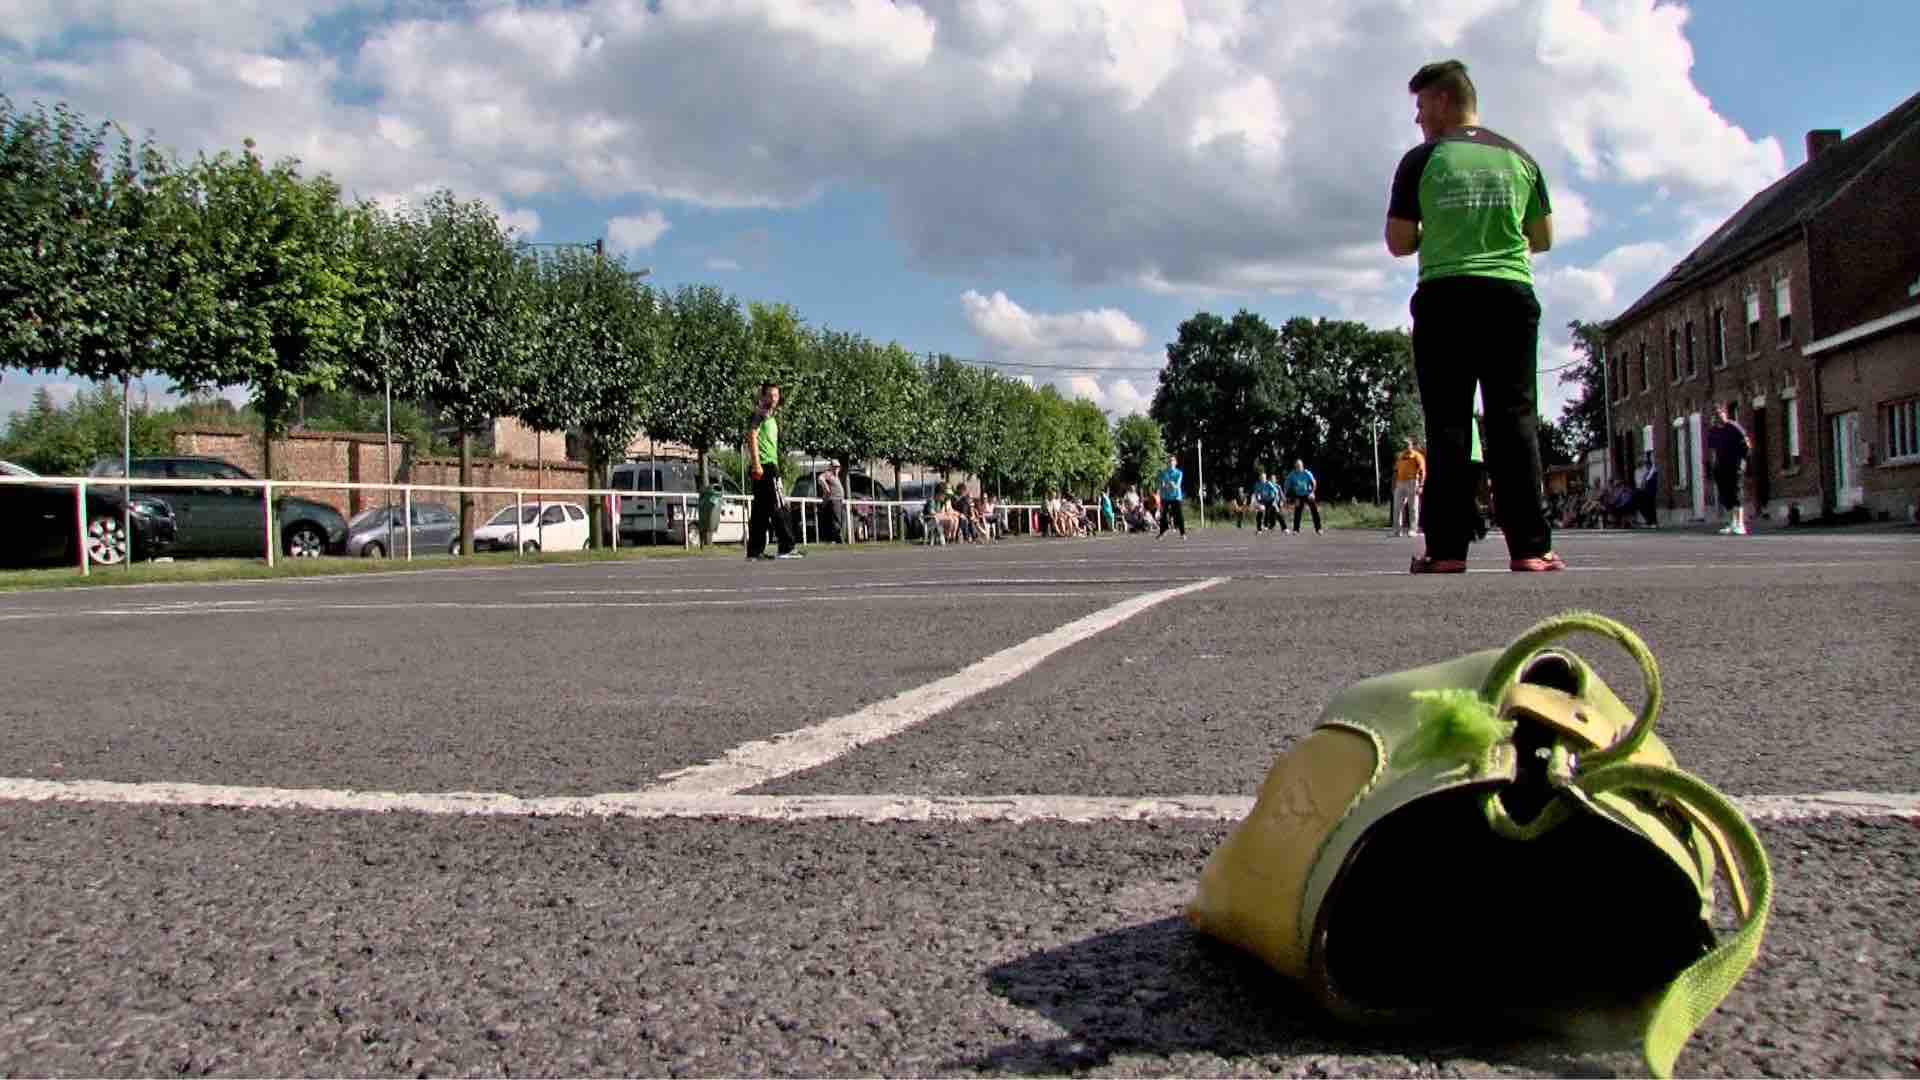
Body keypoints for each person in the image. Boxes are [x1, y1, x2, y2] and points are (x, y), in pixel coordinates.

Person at [1386, 59, 1561, 574]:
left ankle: (1445, 550)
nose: (1418, 119)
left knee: (1447, 422)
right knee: (1515, 420)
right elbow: (1544, 238)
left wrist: (1437, 232)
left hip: (1445, 296)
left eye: (1420, 107)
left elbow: (1398, 242)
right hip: (1509, 294)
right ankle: (1531, 547)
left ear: (1443, 100)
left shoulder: (1421, 160)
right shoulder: (1520, 158)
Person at [745, 381, 801, 560]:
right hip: (766, 466)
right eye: (770, 395)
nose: (774, 399)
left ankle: (755, 551)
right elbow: (752, 436)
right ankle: (787, 547)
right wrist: (756, 464)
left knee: (760, 511)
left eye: (776, 396)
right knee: (780, 505)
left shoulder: (769, 416)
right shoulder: (760, 414)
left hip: (767, 465)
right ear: (763, 397)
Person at [1707, 404, 1753, 535]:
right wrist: (1713, 466)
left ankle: (1740, 524)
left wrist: (1742, 461)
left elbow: (1747, 444)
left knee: (1736, 492)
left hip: (1735, 464)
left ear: (1724, 414)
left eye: (1719, 414)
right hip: (1721, 466)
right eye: (1715, 416)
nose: (1717, 418)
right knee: (1725, 494)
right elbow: (1712, 450)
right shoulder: (1713, 431)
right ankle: (1732, 522)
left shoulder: (1733, 427)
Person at [1391, 438, 1426, 537]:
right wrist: (1393, 485)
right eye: (1403, 444)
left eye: (1407, 444)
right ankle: (1397, 531)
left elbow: (1423, 471)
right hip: (1400, 482)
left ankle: (1413, 530)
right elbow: (1395, 471)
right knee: (1397, 507)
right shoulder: (1400, 456)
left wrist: (1421, 485)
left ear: (1411, 445)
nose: (1405, 446)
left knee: (1413, 507)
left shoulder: (1417, 456)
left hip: (1413, 481)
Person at [1284, 459, 1322, 534]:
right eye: (1297, 466)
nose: (1299, 467)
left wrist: (1312, 493)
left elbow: (1314, 483)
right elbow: (1286, 486)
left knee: (1314, 510)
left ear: (1302, 466)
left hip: (1308, 494)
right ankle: (1296, 529)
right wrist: (1290, 497)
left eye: (1300, 466)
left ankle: (1318, 528)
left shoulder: (1307, 473)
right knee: (1297, 511)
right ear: (1295, 466)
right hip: (1298, 495)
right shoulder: (1292, 475)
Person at [1157, 455, 1187, 538]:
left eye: (1172, 461)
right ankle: (1163, 531)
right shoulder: (1163, 473)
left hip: (1176, 497)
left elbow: (1176, 486)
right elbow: (1161, 485)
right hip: (1166, 497)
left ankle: (1183, 533)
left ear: (1175, 462)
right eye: (1169, 461)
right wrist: (1164, 486)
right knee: (1163, 515)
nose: (1170, 462)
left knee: (1179, 515)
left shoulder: (1179, 473)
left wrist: (1169, 484)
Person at [817, 462, 847, 544]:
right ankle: (838, 539)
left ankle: (839, 538)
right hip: (834, 500)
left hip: (840, 500)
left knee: (842, 519)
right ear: (831, 467)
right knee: (837, 520)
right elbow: (820, 478)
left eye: (838, 467)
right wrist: (826, 486)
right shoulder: (828, 474)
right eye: (835, 467)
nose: (837, 468)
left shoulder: (836, 476)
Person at [1634, 451, 1660, 528]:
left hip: (1648, 490)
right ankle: (1649, 520)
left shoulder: (1650, 470)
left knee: (1651, 505)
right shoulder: (1636, 471)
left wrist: (1644, 484)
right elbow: (1638, 482)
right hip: (1641, 490)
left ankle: (1653, 521)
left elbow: (1647, 479)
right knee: (1643, 505)